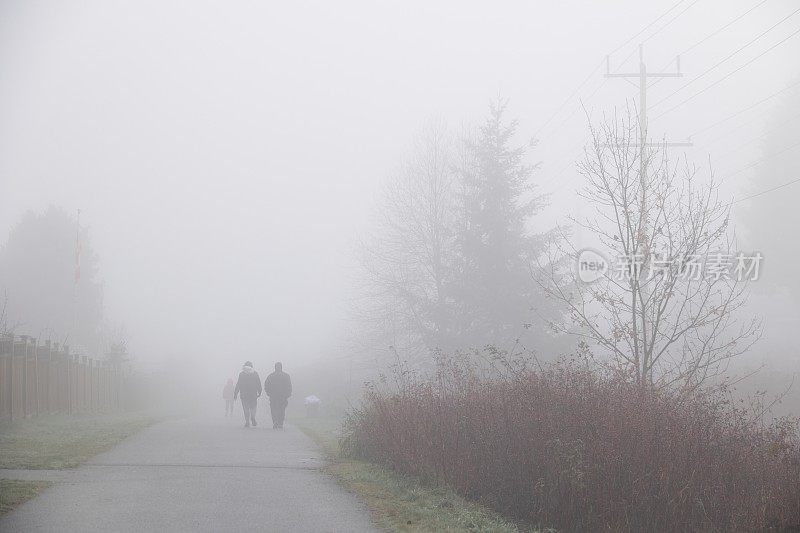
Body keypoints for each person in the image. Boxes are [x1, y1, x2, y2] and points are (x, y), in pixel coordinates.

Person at [233, 361, 262, 428]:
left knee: (245, 408)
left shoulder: (242, 374)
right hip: (253, 394)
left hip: (244, 394)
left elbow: (238, 384)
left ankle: (247, 422)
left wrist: (235, 393)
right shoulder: (255, 374)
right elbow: (258, 383)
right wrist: (259, 391)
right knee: (253, 406)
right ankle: (253, 416)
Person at [264, 362, 292, 429]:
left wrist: (268, 393)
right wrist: (288, 394)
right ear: (281, 367)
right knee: (282, 410)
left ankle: (275, 421)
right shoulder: (286, 376)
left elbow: (266, 385)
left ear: (275, 367)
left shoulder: (271, 376)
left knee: (274, 409)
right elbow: (289, 386)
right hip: (283, 396)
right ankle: (280, 423)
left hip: (273, 396)